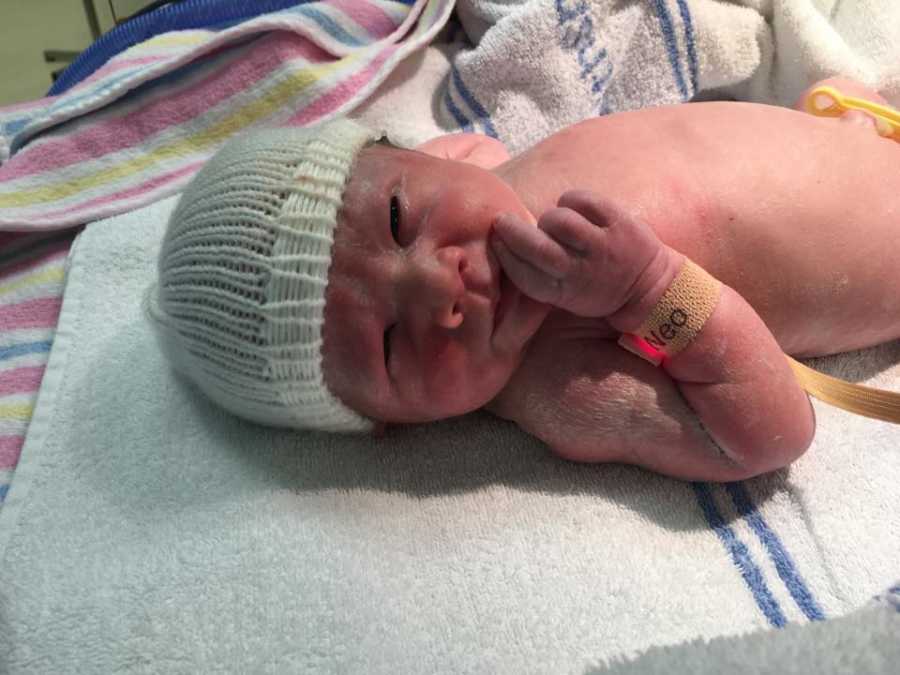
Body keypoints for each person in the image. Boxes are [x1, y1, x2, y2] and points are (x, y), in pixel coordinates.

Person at [146, 77, 900, 482]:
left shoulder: (475, 167)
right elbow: (767, 439)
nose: (440, 287)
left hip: (852, 127)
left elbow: (465, 150)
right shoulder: (559, 387)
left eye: (400, 217)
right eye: (387, 346)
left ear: (409, 152)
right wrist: (652, 291)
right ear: (391, 424)